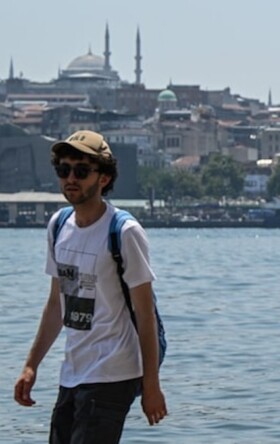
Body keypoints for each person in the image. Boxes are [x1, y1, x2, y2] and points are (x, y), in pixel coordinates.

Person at [14, 130, 167, 443]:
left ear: (104, 178)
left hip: (114, 372)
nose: (71, 178)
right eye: (64, 170)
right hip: (73, 371)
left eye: (81, 171)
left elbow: (145, 314)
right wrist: (31, 365)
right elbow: (57, 305)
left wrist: (151, 385)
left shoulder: (124, 231)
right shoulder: (58, 225)